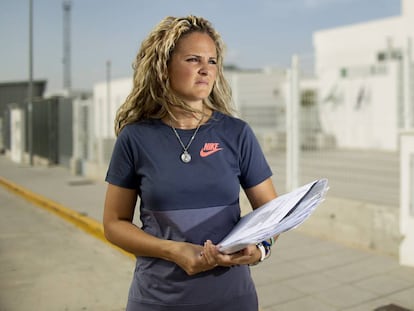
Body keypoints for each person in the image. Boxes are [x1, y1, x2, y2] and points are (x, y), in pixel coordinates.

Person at [103, 15, 278, 311]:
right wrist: (172, 250)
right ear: (163, 66)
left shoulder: (237, 133)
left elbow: (272, 213)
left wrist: (261, 249)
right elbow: (114, 224)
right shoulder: (135, 138)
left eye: (212, 61)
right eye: (193, 59)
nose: (205, 70)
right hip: (158, 300)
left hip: (233, 299)